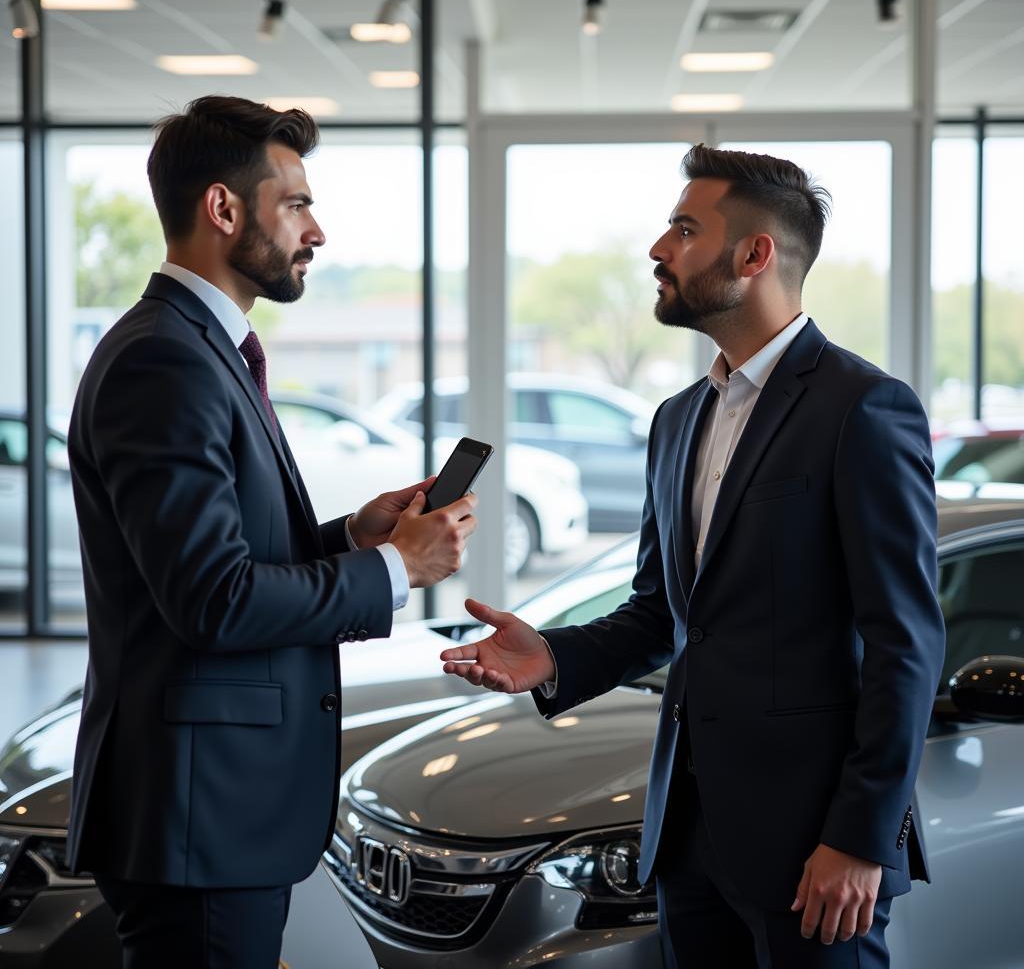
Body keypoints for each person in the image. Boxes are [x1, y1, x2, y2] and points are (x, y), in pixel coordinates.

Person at [440, 144, 945, 968]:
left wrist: (861, 838)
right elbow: (663, 614)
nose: (657, 249)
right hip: (687, 840)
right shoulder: (677, 420)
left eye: (683, 228)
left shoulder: (864, 408)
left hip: (816, 851)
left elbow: (906, 644)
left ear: (755, 255)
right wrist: (553, 656)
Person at [66, 95, 476, 969]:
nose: (316, 231)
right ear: (223, 209)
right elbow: (213, 600)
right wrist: (395, 572)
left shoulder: (199, 349)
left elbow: (220, 558)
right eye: (295, 204)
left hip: (212, 812)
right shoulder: (164, 359)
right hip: (199, 814)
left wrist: (351, 538)